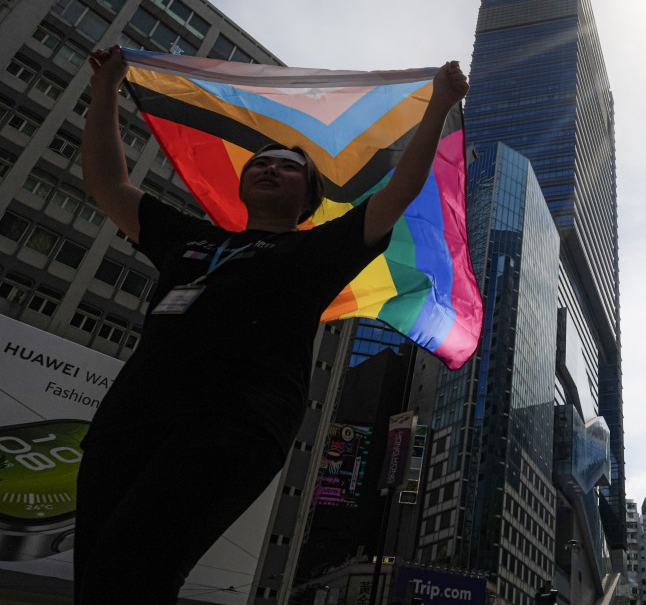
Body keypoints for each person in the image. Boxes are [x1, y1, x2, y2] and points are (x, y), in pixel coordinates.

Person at [74, 46, 468, 604]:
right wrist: (105, 91)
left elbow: (397, 192)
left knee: (133, 568)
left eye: (287, 166)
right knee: (94, 577)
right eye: (261, 161)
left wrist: (438, 107)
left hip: (232, 423)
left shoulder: (318, 250)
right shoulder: (191, 240)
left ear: (307, 198)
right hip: (127, 420)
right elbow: (109, 185)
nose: (269, 167)